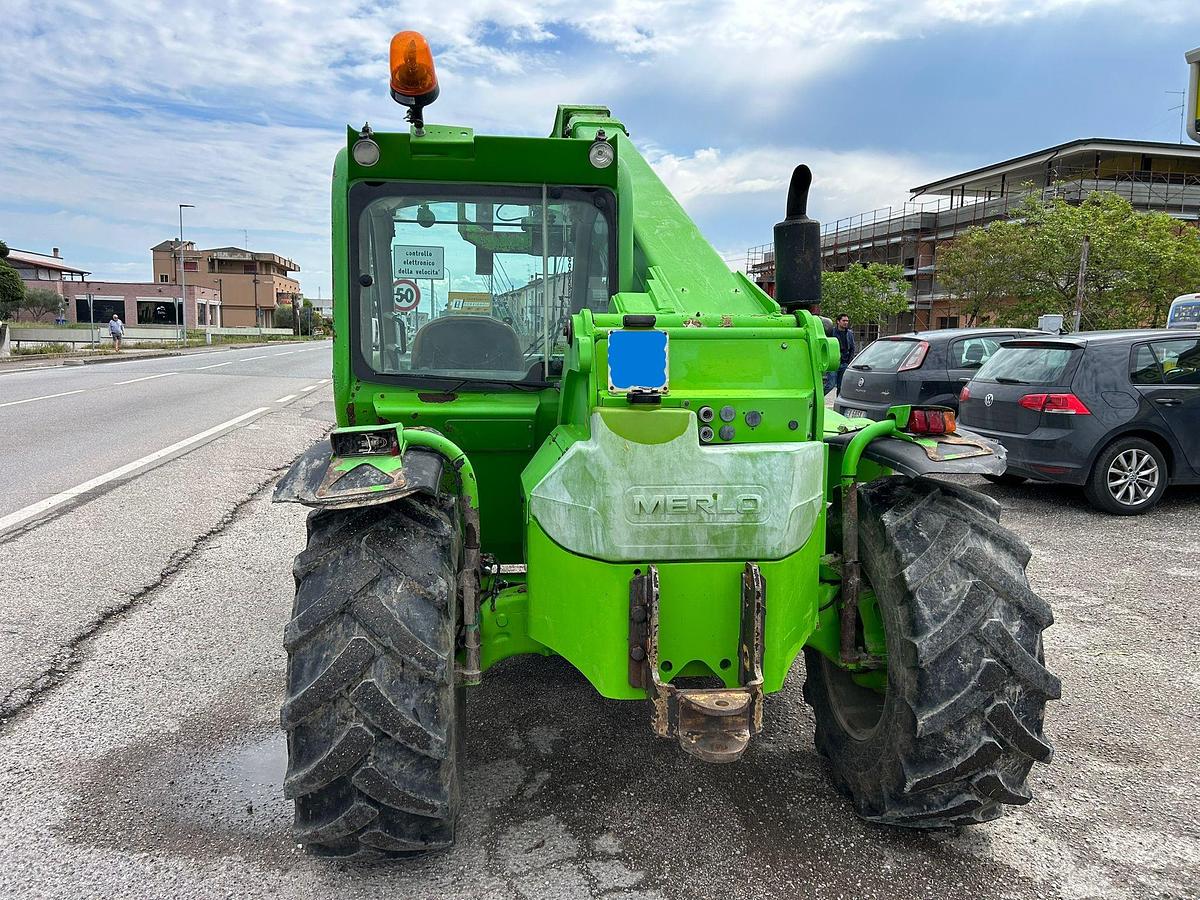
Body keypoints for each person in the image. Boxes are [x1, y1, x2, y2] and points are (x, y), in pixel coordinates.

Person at [833, 314, 856, 392]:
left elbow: (852, 348)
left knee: (841, 386)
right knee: (830, 384)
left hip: (844, 363)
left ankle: (837, 402)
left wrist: (849, 362)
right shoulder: (832, 332)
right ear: (838, 321)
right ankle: (818, 401)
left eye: (847, 321)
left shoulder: (849, 333)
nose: (846, 323)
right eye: (844, 321)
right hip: (834, 363)